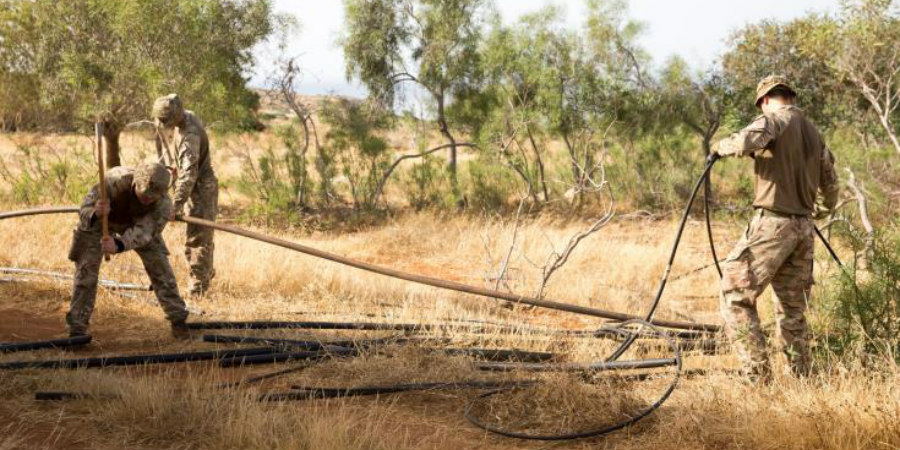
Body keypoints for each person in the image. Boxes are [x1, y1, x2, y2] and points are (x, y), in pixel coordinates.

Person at [710, 75, 840, 381]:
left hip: (773, 225)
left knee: (735, 293)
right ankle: (802, 379)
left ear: (766, 100)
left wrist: (719, 147)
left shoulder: (774, 120)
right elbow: (831, 183)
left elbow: (749, 139)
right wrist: (819, 211)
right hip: (803, 229)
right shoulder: (813, 132)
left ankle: (756, 376)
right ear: (790, 96)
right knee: (793, 311)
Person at [67, 162, 190, 339]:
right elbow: (83, 210)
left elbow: (145, 232)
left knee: (161, 268)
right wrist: (96, 212)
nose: (148, 199)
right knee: (85, 272)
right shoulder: (112, 182)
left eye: (152, 197)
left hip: (138, 226)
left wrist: (119, 244)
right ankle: (77, 328)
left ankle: (178, 321)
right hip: (101, 222)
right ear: (134, 183)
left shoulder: (163, 205)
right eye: (144, 194)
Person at [152, 94, 219, 296]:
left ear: (176, 116)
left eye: (166, 121)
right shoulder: (185, 117)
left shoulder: (190, 135)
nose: (164, 125)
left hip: (201, 191)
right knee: (198, 237)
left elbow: (189, 175)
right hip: (193, 186)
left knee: (198, 239)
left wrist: (176, 204)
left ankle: (198, 288)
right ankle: (205, 273)